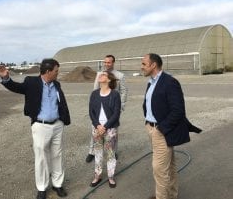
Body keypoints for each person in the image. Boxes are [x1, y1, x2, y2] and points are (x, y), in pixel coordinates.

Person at [0, 59, 70, 199]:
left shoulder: (56, 84)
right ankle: (42, 188)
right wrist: (5, 77)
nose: (57, 73)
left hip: (57, 125)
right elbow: (16, 87)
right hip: (40, 126)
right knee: (41, 158)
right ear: (48, 71)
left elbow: (61, 102)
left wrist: (63, 118)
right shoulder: (31, 82)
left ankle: (58, 184)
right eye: (56, 71)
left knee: (57, 155)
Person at [141, 53, 202, 199]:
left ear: (153, 65)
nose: (141, 67)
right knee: (169, 166)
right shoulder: (151, 82)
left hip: (161, 131)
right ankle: (172, 195)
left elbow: (178, 110)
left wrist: (161, 129)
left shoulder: (169, 82)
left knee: (159, 169)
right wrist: (150, 126)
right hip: (151, 128)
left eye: (144, 64)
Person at [86, 54, 127, 163]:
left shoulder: (120, 76)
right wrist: (94, 106)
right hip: (100, 106)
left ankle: (113, 151)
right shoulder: (100, 74)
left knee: (113, 129)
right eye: (105, 62)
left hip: (113, 107)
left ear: (113, 63)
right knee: (96, 127)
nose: (106, 64)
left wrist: (121, 106)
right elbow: (95, 89)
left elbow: (123, 91)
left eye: (108, 62)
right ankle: (92, 152)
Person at [89, 70, 121, 188]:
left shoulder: (115, 94)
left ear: (109, 80)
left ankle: (111, 177)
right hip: (96, 128)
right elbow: (91, 112)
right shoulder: (94, 94)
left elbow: (116, 113)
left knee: (110, 153)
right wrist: (98, 125)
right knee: (97, 152)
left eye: (103, 75)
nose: (100, 75)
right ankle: (97, 175)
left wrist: (105, 127)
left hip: (110, 129)